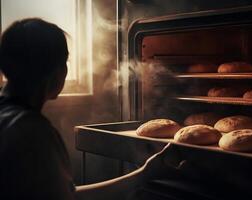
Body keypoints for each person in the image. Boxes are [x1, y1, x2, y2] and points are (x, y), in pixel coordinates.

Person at [0, 18, 180, 200]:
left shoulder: (9, 117)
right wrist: (145, 174)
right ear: (58, 72)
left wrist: (143, 174)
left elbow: (67, 195)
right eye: (65, 63)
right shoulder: (32, 131)